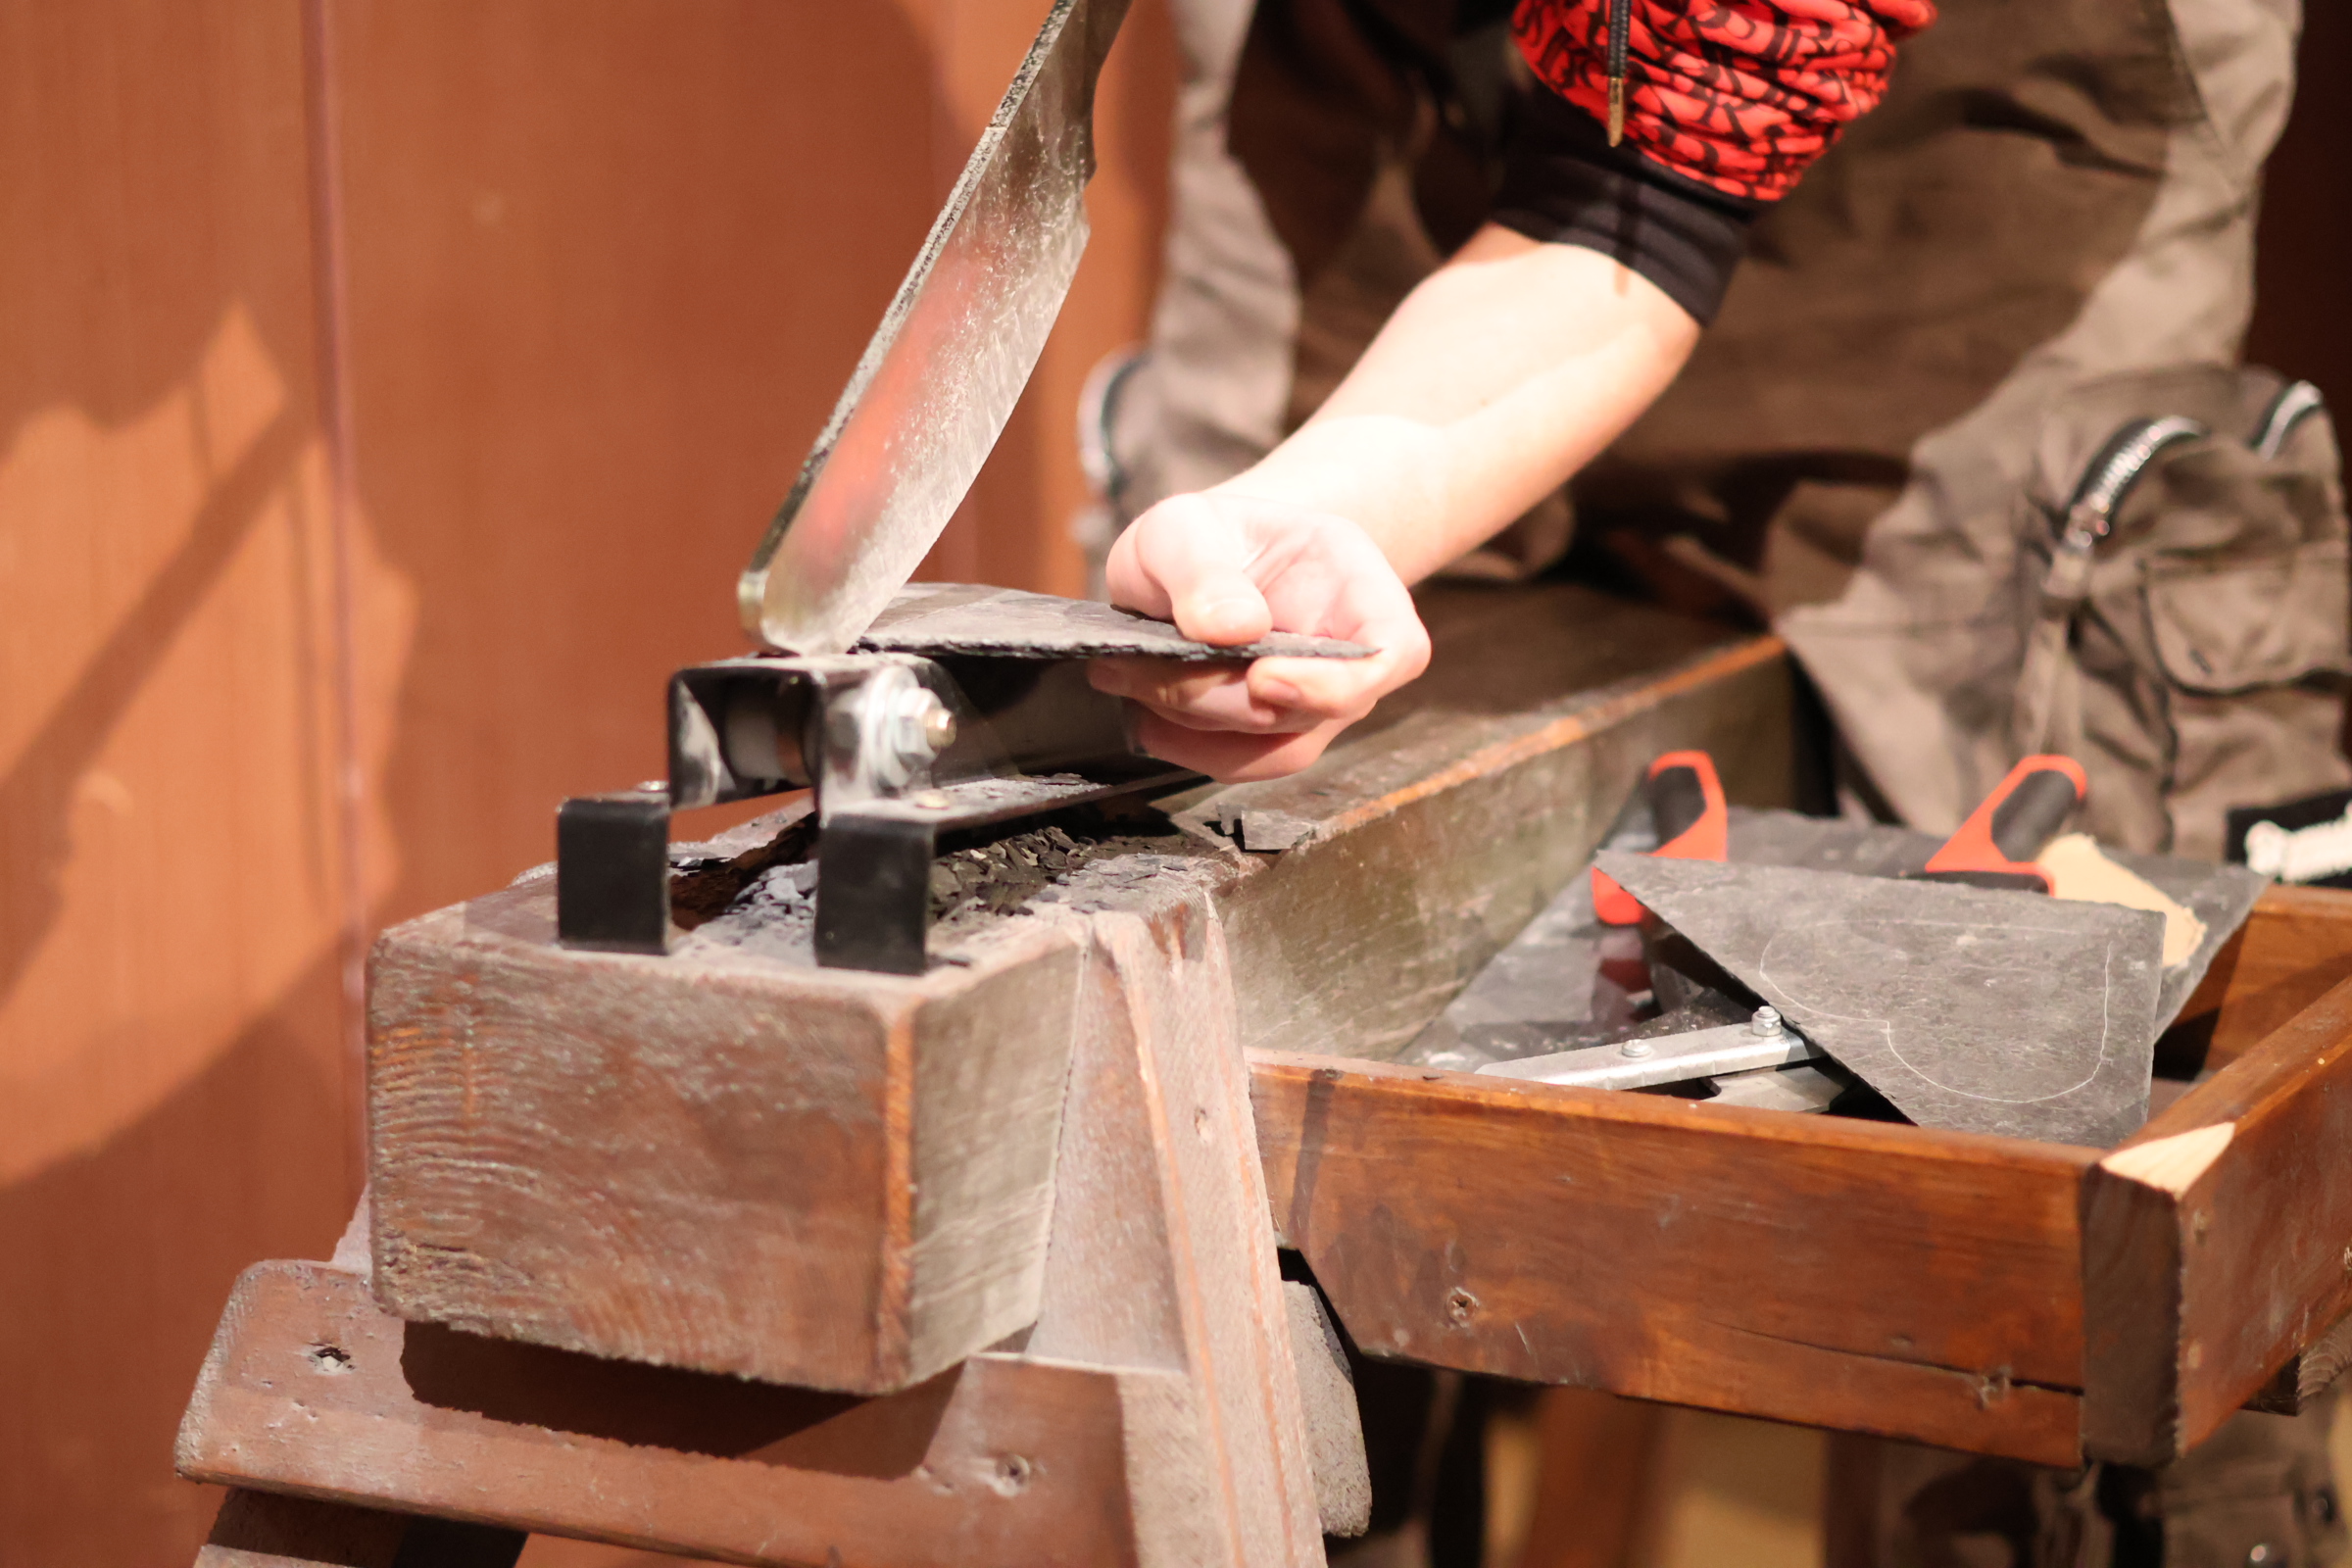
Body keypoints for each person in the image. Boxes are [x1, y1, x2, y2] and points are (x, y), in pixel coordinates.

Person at [1088, 0, 2348, 1563]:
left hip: (1982, 193)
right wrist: (1295, 535)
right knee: (1217, 1077)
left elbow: (1640, 201)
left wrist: (1335, 509)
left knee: (2058, 1232)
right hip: (1375, 103)